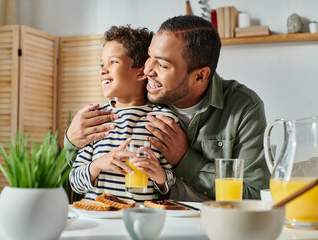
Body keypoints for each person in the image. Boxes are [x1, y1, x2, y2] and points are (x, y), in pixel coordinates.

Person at [65, 15, 270, 201]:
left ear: (199, 76)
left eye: (162, 65)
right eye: (148, 56)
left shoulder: (243, 108)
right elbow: (78, 168)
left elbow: (254, 196)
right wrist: (71, 139)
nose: (147, 70)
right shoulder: (135, 96)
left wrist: (185, 159)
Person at [68, 25, 179, 203]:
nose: (103, 70)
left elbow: (170, 182)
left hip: (139, 217)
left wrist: (160, 176)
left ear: (141, 72)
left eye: (113, 62)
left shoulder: (163, 121)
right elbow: (75, 182)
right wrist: (98, 164)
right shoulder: (95, 119)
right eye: (102, 64)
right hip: (99, 216)